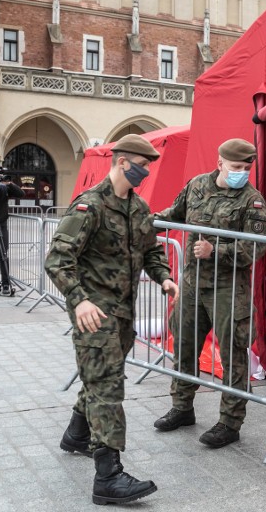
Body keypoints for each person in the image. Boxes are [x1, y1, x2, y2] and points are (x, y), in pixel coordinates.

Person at [45, 134, 179, 505]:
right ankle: (108, 476)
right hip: (94, 315)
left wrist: (165, 277)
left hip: (123, 316)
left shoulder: (138, 208)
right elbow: (57, 260)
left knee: (100, 378)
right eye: (141, 163)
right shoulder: (90, 206)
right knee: (107, 388)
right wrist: (80, 300)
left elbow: (151, 251)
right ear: (122, 162)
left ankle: (76, 435)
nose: (145, 170)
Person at [153, 138, 266, 449]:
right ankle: (182, 408)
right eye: (235, 167)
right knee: (185, 346)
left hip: (229, 288)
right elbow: (174, 213)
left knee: (233, 354)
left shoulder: (252, 200)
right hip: (192, 284)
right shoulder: (197, 186)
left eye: (247, 168)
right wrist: (147, 223)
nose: (241, 173)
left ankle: (230, 423)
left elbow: (257, 246)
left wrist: (215, 249)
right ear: (220, 163)